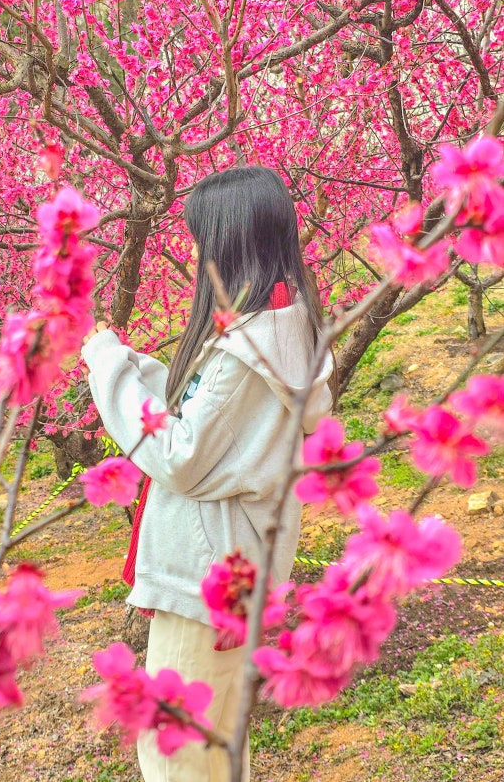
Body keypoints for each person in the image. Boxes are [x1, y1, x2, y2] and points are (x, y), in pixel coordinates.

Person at [81, 166, 335, 782]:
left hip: (208, 580)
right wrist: (140, 367)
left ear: (229, 242)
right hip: (235, 566)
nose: (197, 256)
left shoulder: (249, 352)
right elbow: (203, 415)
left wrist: (109, 366)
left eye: (202, 240)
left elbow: (181, 453)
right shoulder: (283, 326)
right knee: (218, 741)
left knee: (180, 751)